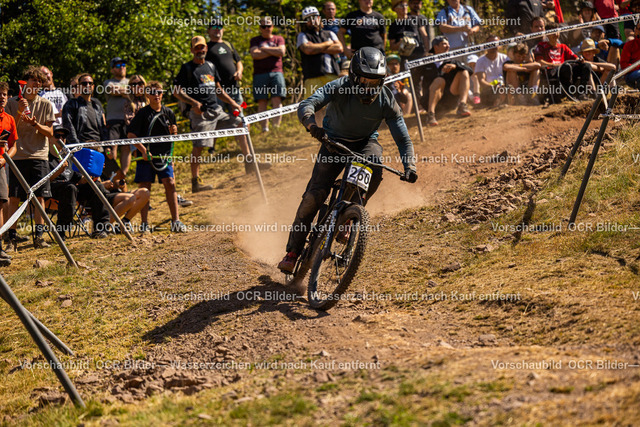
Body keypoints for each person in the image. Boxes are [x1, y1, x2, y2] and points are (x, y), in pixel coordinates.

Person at [277, 47, 418, 273]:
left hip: (365, 143)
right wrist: (312, 126)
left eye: (375, 81)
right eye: (364, 80)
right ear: (353, 76)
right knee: (313, 197)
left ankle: (349, 215)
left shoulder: (386, 99)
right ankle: (293, 252)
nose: (369, 87)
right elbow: (307, 104)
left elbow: (403, 138)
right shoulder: (339, 86)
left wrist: (409, 166)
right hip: (332, 142)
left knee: (375, 169)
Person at [173, 35, 244, 193]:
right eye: (197, 47)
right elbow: (176, 91)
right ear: (192, 50)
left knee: (241, 124)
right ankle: (195, 182)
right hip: (200, 115)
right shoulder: (187, 68)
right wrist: (193, 103)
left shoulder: (211, 66)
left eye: (202, 47)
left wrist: (233, 103)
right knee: (199, 147)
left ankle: (250, 164)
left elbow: (218, 90)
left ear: (206, 48)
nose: (200, 50)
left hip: (217, 111)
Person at [5, 66, 55, 249]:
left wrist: (36, 125)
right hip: (17, 156)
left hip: (39, 155)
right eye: (34, 80)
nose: (38, 84)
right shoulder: (12, 103)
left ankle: (39, 237)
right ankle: (11, 238)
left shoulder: (46, 104)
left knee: (40, 197)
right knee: (14, 198)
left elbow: (50, 132)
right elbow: (8, 131)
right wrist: (19, 112)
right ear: (25, 83)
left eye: (40, 81)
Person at [206, 19, 265, 174]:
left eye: (220, 26)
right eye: (214, 27)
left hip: (233, 89)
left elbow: (238, 61)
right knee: (217, 120)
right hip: (217, 92)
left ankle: (249, 159)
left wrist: (239, 71)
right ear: (209, 30)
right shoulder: (206, 47)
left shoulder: (228, 44)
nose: (217, 29)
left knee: (242, 121)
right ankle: (211, 147)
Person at [128, 81, 186, 233]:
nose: (156, 95)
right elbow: (131, 135)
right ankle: (144, 223)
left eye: (159, 92)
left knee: (170, 183)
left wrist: (174, 132)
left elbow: (173, 137)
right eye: (153, 92)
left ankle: (176, 221)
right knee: (145, 188)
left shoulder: (169, 112)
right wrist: (143, 151)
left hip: (164, 156)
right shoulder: (142, 113)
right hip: (146, 158)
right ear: (147, 95)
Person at [48, 126, 110, 239]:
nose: (61, 139)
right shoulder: (45, 157)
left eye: (63, 136)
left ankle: (101, 228)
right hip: (53, 190)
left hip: (72, 189)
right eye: (57, 136)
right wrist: (59, 171)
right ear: (49, 138)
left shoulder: (69, 156)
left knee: (97, 186)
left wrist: (94, 173)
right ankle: (61, 230)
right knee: (70, 188)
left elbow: (79, 180)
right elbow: (43, 182)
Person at [436, 0, 482, 104]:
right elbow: (442, 27)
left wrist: (472, 30)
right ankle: (467, 97)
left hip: (468, 47)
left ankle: (477, 94)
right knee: (460, 73)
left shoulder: (468, 9)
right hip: (453, 49)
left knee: (473, 67)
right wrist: (461, 29)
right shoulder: (444, 12)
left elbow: (477, 25)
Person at [534, 23, 592, 101]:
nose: (555, 34)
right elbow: (539, 62)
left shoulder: (563, 46)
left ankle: (581, 93)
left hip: (565, 70)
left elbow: (575, 58)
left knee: (586, 65)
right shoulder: (541, 46)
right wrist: (554, 65)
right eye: (552, 32)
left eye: (557, 31)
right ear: (547, 34)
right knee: (566, 67)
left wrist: (580, 59)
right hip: (551, 71)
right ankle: (569, 94)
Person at [423, 36, 473, 126]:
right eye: (444, 44)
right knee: (439, 80)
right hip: (430, 100)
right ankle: (430, 115)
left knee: (464, 72)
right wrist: (419, 101)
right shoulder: (425, 63)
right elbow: (414, 81)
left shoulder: (451, 61)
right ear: (436, 47)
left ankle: (462, 105)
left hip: (449, 100)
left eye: (448, 44)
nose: (448, 46)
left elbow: (470, 71)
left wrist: (455, 66)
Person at [297, 6, 343, 101]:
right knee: (313, 106)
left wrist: (316, 48)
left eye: (314, 17)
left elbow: (339, 48)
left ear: (319, 18)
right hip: (312, 77)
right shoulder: (302, 35)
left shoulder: (330, 33)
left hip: (332, 74)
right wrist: (329, 43)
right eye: (308, 19)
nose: (312, 20)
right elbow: (308, 50)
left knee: (336, 104)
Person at [250, 17, 287, 132]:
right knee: (262, 101)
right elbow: (255, 54)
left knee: (277, 100)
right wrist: (273, 51)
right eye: (263, 26)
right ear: (260, 28)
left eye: (268, 26)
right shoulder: (255, 40)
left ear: (272, 27)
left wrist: (263, 49)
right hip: (259, 74)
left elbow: (281, 52)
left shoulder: (279, 38)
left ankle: (276, 128)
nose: (266, 28)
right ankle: (264, 129)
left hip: (276, 72)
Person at [103, 57, 132, 174]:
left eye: (123, 65)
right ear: (112, 70)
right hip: (113, 119)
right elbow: (113, 90)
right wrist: (129, 92)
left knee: (126, 147)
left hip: (128, 120)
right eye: (118, 66)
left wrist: (123, 92)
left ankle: (123, 175)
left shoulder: (130, 81)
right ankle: (113, 175)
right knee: (112, 147)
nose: (122, 68)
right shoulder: (108, 82)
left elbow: (139, 91)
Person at [0, 81, 18, 264]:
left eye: (4, 94)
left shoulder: (9, 119)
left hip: (0, 166)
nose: (2, 97)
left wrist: (5, 159)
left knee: (1, 204)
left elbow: (14, 146)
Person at [474, 35, 510, 107]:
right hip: (489, 90)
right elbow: (481, 81)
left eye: (496, 43)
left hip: (503, 87)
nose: (493, 46)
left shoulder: (505, 58)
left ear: (499, 45)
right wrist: (494, 87)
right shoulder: (480, 61)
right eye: (490, 44)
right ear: (486, 45)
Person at [621, 21, 640, 88]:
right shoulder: (629, 45)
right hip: (632, 74)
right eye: (639, 29)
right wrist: (638, 67)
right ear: (635, 30)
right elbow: (624, 65)